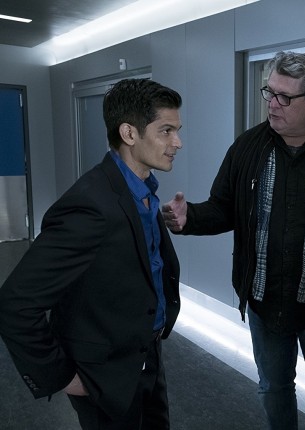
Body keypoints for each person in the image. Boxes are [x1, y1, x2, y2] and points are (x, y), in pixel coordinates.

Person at [162, 51, 305, 430]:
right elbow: (223, 208)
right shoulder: (247, 147)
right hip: (264, 299)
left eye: (285, 97)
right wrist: (189, 218)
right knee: (274, 387)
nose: (272, 104)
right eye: (269, 92)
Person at [0, 78, 183, 429]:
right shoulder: (90, 205)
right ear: (129, 133)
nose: (177, 142)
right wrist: (62, 376)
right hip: (105, 375)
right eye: (166, 131)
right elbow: (15, 303)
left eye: (177, 131)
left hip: (145, 355)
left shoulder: (144, 190)